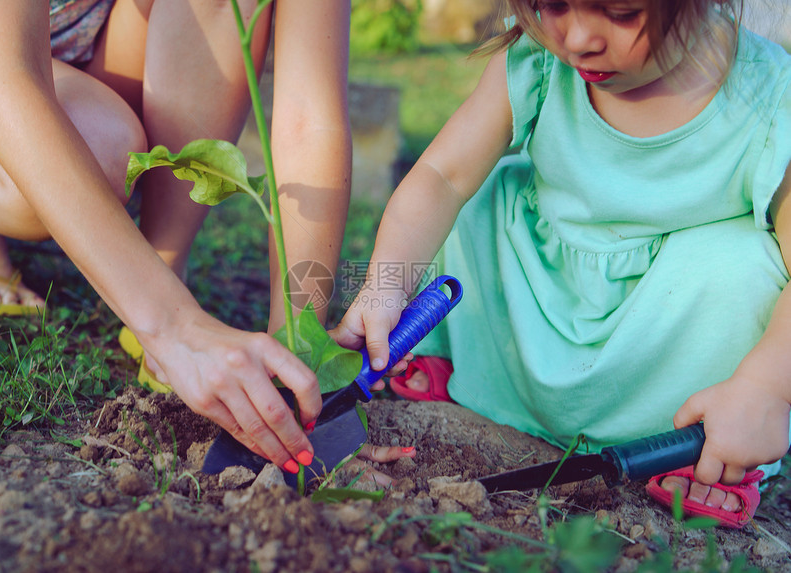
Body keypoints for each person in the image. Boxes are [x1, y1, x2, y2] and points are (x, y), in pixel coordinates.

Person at [332, 0, 791, 527]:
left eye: (620, 12)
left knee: (743, 268)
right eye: (550, 5)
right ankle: (461, 358)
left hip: (660, 340)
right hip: (538, 297)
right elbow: (443, 174)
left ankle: (693, 446)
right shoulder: (541, 61)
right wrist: (386, 287)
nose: (577, 39)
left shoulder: (769, 101)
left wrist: (767, 388)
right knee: (478, 195)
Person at [0, 0, 416, 478]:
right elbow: (9, 81)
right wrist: (174, 326)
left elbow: (310, 119)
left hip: (100, 49)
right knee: (101, 149)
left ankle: (162, 265)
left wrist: (299, 342)